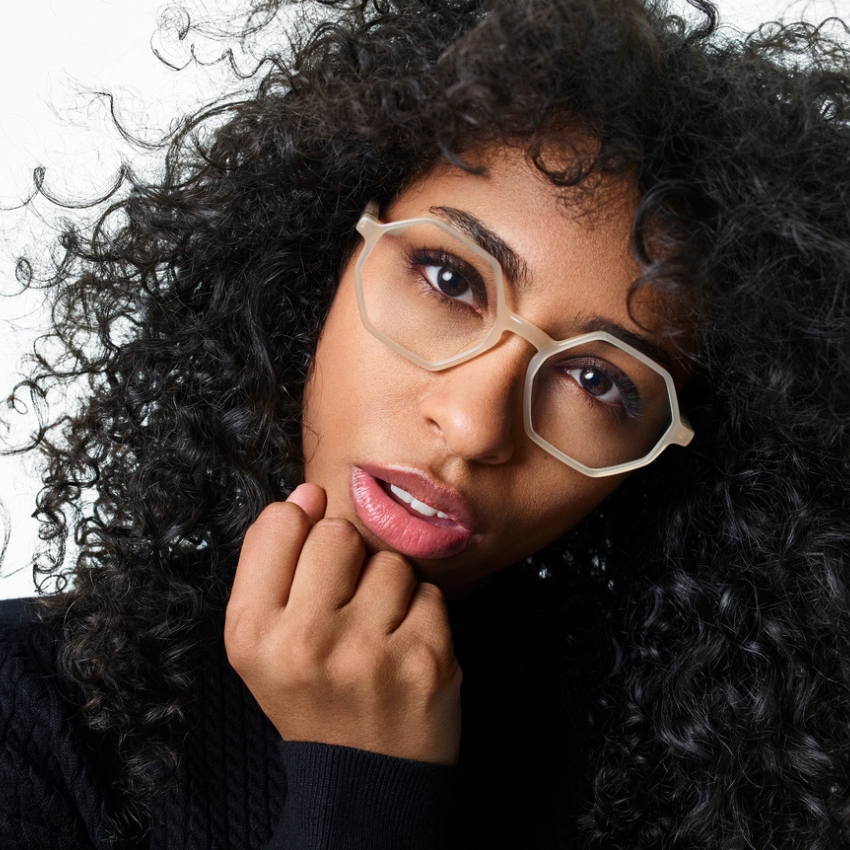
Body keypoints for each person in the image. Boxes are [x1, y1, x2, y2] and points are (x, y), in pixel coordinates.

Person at [1, 0, 849, 847]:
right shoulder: (29, 705)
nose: (478, 424)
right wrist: (359, 780)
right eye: (450, 280)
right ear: (328, 256)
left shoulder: (721, 792)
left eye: (596, 379)